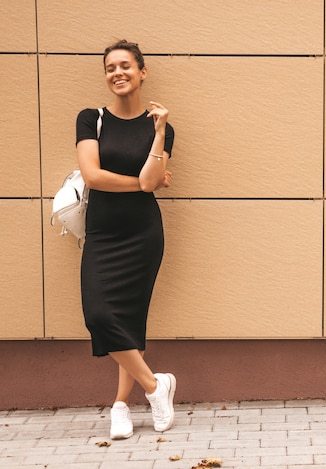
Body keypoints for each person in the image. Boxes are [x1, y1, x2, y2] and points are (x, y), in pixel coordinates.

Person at [75, 39, 176, 440]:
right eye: (110, 68)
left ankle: (120, 407)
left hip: (143, 234)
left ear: (142, 72)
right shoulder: (91, 118)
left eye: (125, 66)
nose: (117, 73)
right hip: (103, 232)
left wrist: (161, 130)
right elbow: (93, 176)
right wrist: (144, 183)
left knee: (128, 320)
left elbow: (154, 182)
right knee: (99, 314)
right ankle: (156, 386)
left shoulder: (161, 126)